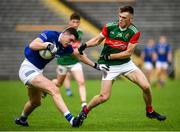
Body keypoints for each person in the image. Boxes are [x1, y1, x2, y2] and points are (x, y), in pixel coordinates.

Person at [75, 5, 166, 127]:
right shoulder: (110, 26)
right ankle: (84, 112)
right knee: (104, 97)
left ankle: (149, 111)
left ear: (130, 19)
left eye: (124, 18)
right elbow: (97, 40)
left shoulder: (134, 32)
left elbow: (128, 53)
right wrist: (84, 45)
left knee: (146, 86)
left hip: (126, 64)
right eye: (119, 16)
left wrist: (110, 56)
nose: (120, 20)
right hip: (109, 66)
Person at [15, 27, 109, 127]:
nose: (71, 43)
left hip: (38, 71)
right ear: (64, 34)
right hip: (27, 68)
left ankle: (22, 119)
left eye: (73, 41)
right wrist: (46, 45)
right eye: (71, 40)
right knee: (54, 89)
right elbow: (33, 45)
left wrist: (96, 66)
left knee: (35, 102)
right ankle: (72, 120)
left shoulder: (66, 47)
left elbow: (79, 55)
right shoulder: (51, 35)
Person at [52, 13, 87, 108]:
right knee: (59, 83)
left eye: (77, 22)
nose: (75, 24)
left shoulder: (79, 33)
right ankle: (47, 86)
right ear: (69, 22)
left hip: (74, 62)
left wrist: (80, 50)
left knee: (81, 82)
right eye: (73, 22)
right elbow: (71, 46)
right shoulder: (65, 33)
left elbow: (77, 46)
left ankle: (84, 103)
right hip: (62, 62)